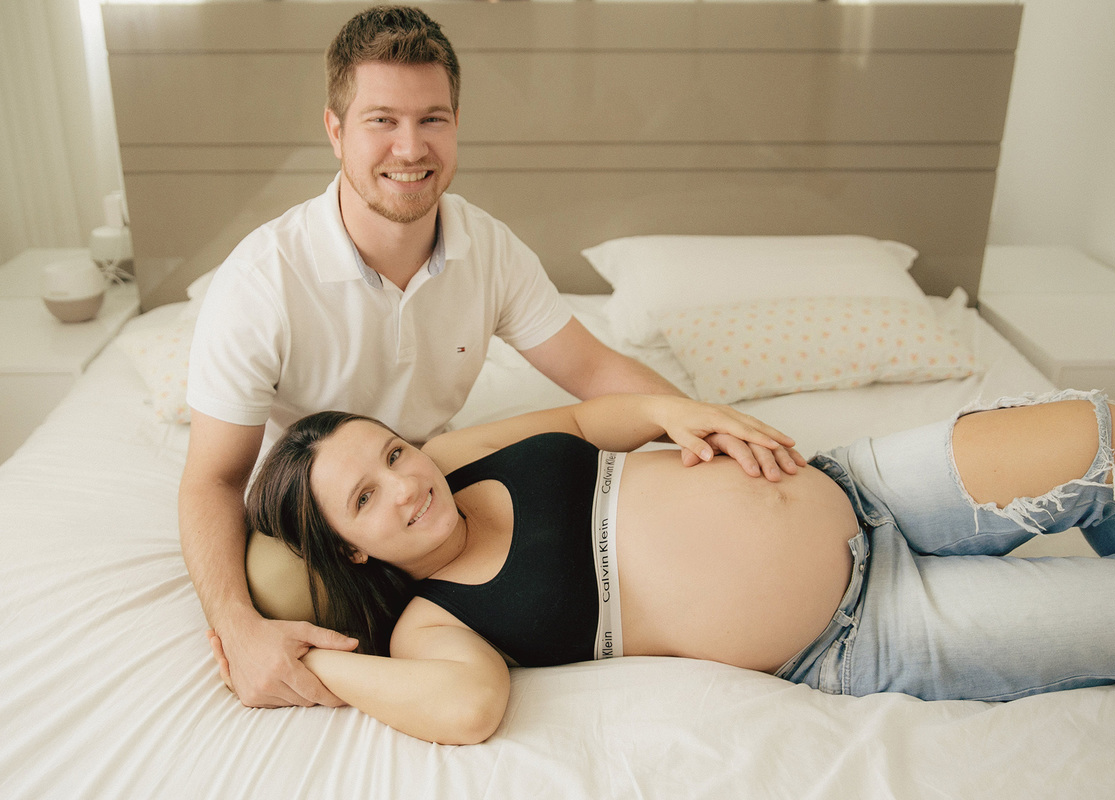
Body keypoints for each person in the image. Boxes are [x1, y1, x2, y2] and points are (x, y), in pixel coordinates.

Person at [180, 6, 791, 712]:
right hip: (330, 505)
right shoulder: (262, 283)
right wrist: (236, 625)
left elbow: (593, 372)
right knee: (276, 586)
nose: (410, 148)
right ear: (336, 129)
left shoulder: (486, 247)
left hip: (436, 470)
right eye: (382, 121)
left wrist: (707, 422)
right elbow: (213, 481)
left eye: (432, 119)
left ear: (456, 124)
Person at [220, 389, 1115, 745]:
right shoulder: (435, 625)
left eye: (392, 450)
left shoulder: (461, 452)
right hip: (865, 627)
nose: (404, 481)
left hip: (856, 483)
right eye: (365, 499)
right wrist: (297, 656)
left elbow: (577, 419)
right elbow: (468, 710)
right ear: (351, 548)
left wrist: (675, 412)